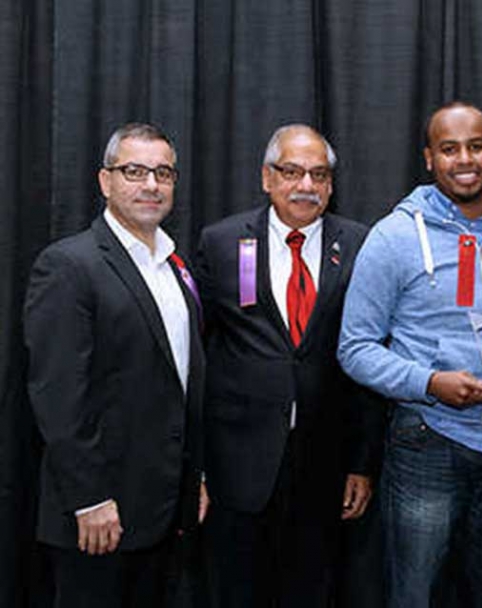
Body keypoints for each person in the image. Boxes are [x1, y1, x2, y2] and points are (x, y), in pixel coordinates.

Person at [338, 101, 482, 608]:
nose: (465, 159)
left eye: (476, 146)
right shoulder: (393, 238)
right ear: (429, 158)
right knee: (414, 595)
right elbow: (355, 347)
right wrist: (429, 384)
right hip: (426, 442)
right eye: (450, 148)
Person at [196, 124, 384, 607]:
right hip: (239, 465)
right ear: (267, 177)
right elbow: (199, 355)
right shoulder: (220, 243)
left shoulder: (362, 246)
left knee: (314, 590)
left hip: (325, 464)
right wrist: (195, 467)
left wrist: (362, 463)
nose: (306, 185)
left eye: (319, 175)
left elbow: (369, 360)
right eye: (292, 172)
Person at [24, 122, 207, 607]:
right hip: (100, 516)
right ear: (105, 181)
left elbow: (182, 381)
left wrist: (196, 479)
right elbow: (58, 397)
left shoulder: (174, 266)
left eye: (163, 173)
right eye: (134, 171)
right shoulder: (69, 266)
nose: (151, 185)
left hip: (163, 511)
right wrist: (90, 499)